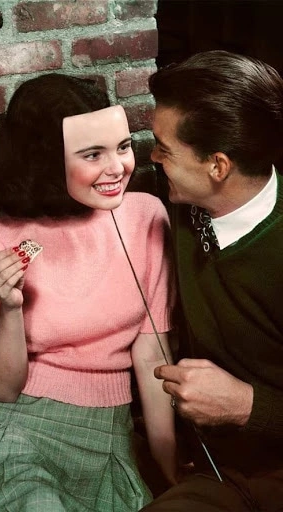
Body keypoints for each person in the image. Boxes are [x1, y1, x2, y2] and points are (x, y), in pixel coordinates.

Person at [0, 73, 177, 511]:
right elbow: (2, 389)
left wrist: (169, 472)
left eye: (123, 147)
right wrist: (10, 308)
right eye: (93, 154)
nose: (117, 167)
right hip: (17, 427)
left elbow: (153, 357)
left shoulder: (147, 218)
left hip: (110, 433)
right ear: (49, 161)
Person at [140, 50, 283, 511]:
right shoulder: (183, 199)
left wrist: (245, 405)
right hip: (218, 473)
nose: (152, 157)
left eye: (164, 148)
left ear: (217, 167)